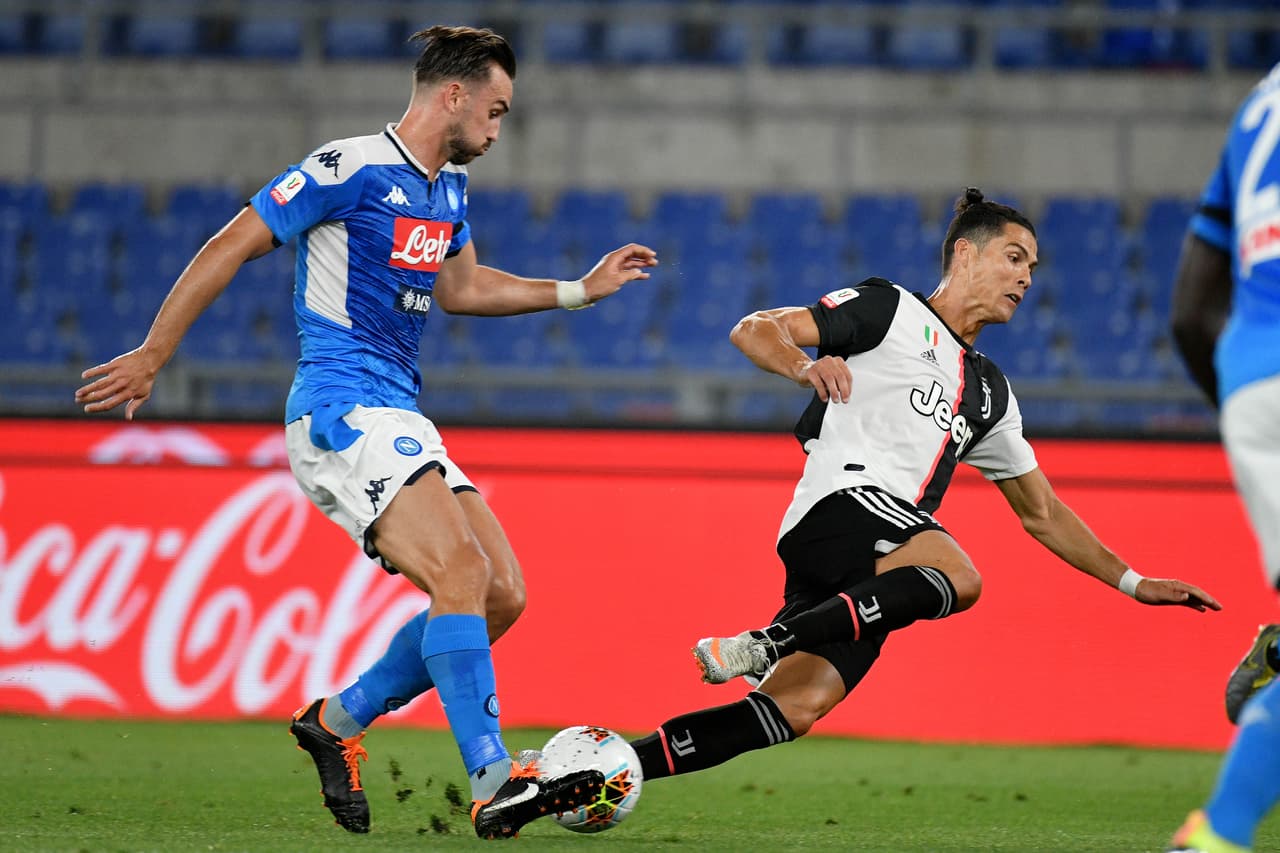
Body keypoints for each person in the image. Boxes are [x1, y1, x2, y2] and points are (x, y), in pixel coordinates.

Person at [75, 25, 658, 840]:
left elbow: (462, 287)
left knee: (501, 594)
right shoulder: (346, 168)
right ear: (452, 94)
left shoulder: (447, 187)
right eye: (494, 111)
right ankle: (493, 778)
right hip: (338, 406)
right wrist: (153, 353)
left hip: (400, 411)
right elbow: (229, 243)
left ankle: (336, 721)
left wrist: (578, 290)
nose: (496, 131)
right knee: (460, 568)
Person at [621, 188, 1220, 810]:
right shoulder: (889, 310)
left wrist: (1133, 582)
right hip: (841, 503)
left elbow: (1042, 512)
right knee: (958, 575)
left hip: (870, 563)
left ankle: (601, 769)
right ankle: (768, 641)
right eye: (1014, 258)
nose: (1026, 278)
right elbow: (756, 327)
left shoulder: (990, 391)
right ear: (966, 255)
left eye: (1033, 268)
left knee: (794, 708)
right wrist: (803, 368)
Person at [1166, 62, 1280, 853]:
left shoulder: (1257, 104)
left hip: (1251, 379)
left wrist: (1246, 409)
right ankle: (1219, 833)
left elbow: (1187, 310)